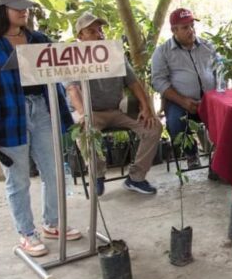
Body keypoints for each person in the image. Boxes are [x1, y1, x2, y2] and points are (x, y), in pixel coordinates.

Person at [0, 0, 79, 257]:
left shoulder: (38, 40)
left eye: (25, 7)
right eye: (16, 7)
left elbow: (61, 72)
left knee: (54, 170)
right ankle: (26, 234)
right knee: (17, 180)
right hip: (8, 119)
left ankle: (52, 224)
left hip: (42, 110)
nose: (24, 12)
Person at [66, 12, 162, 195]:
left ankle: (136, 178)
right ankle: (98, 175)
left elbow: (133, 82)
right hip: (90, 111)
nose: (99, 34)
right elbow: (72, 90)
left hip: (117, 110)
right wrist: (84, 114)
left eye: (100, 30)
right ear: (80, 36)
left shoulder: (114, 53)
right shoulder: (74, 57)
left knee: (153, 126)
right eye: (91, 31)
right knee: (84, 130)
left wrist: (146, 108)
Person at [151, 8, 216, 168]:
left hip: (210, 100)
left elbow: (219, 69)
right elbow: (158, 81)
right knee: (175, 122)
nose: (191, 30)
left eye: (192, 26)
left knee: (226, 118)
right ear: (174, 30)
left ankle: (218, 156)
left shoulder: (207, 46)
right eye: (185, 27)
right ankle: (191, 153)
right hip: (180, 102)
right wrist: (183, 100)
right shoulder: (163, 52)